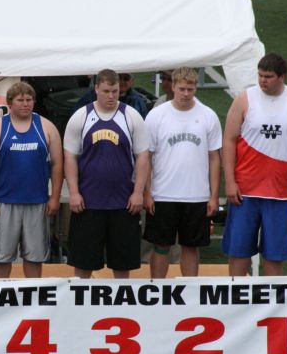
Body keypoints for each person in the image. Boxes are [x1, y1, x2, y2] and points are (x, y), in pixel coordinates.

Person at [222, 53, 287, 276]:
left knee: (275, 254)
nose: (263, 80)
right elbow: (229, 139)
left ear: (282, 77)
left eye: (268, 76)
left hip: (281, 191)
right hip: (245, 190)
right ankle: (237, 302)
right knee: (239, 251)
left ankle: (271, 305)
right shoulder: (245, 99)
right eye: (260, 75)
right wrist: (230, 181)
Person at [63, 68, 149, 279]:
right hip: (88, 203)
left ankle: (120, 305)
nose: (111, 96)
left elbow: (143, 157)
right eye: (106, 91)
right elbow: (70, 157)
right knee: (83, 262)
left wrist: (138, 192)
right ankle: (80, 302)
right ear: (96, 89)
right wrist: (73, 192)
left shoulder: (131, 116)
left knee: (122, 263)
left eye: (115, 91)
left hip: (123, 203)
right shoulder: (81, 116)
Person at [142, 67, 222, 278]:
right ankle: (157, 289)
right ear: (173, 86)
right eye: (182, 89)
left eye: (190, 89)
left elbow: (215, 158)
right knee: (161, 246)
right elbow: (146, 157)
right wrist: (147, 192)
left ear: (196, 87)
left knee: (190, 246)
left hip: (196, 195)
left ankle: (190, 291)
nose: (186, 93)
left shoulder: (208, 116)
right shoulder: (156, 116)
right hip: (163, 193)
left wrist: (213, 196)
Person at [0, 82, 63, 278]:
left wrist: (55, 197)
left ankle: (32, 299)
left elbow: (58, 164)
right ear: (10, 103)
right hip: (4, 202)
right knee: (1, 257)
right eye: (20, 100)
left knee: (35, 256)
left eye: (29, 100)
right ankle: (1, 298)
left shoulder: (46, 126)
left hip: (37, 201)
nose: (25, 104)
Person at [74, 72, 150, 118]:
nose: (122, 81)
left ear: (132, 81)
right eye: (119, 77)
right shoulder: (90, 98)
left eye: (126, 78)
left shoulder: (138, 101)